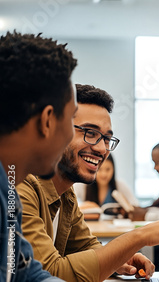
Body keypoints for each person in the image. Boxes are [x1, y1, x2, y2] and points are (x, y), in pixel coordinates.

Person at [16, 84, 159, 282]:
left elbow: (87, 247)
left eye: (107, 139)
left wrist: (118, 261)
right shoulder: (22, 187)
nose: (102, 149)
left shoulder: (65, 193)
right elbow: (50, 273)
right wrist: (139, 236)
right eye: (90, 133)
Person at [0, 31, 77, 281]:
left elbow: (24, 271)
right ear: (47, 121)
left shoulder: (8, 192)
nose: (71, 135)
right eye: (72, 119)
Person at [74, 153, 138, 209]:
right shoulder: (83, 185)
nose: (104, 174)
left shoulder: (120, 185)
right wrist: (84, 205)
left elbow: (136, 206)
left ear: (113, 169)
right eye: (99, 169)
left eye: (108, 169)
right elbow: (70, 204)